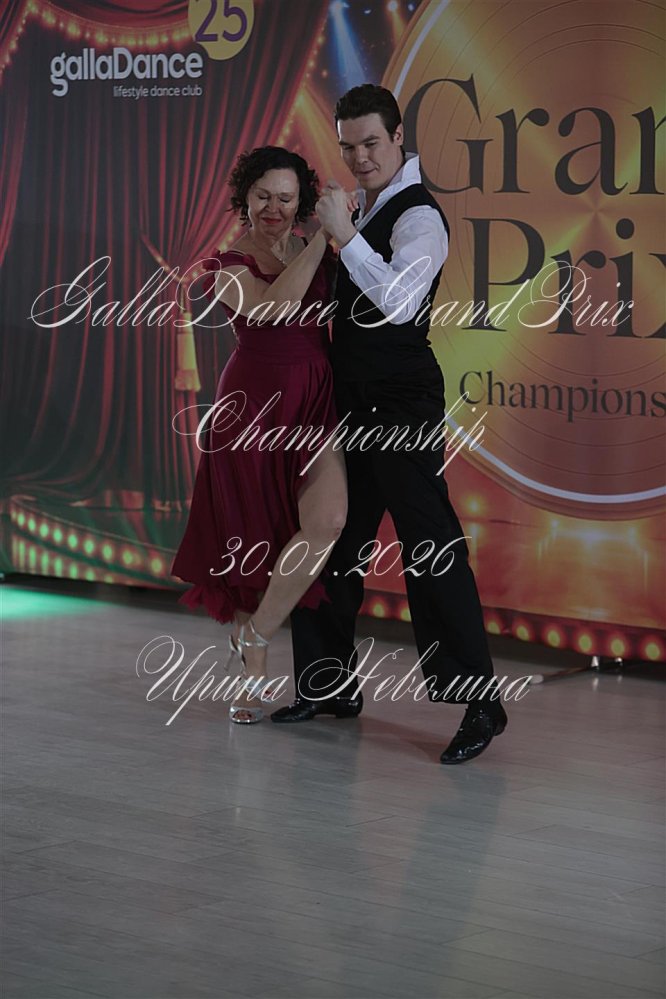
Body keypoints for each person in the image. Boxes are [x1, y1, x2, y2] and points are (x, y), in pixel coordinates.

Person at [272, 85, 507, 764]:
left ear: (398, 137)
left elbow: (401, 303)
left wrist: (344, 236)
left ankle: (482, 703)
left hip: (401, 401)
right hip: (347, 397)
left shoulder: (419, 215)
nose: (359, 157)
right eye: (348, 146)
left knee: (429, 546)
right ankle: (327, 684)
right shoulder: (361, 206)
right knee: (331, 536)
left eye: (371, 143)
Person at [171, 146, 347, 724]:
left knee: (328, 521)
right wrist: (325, 238)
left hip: (314, 401)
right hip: (251, 409)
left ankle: (255, 635)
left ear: (302, 200)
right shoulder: (225, 263)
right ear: (244, 197)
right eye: (263, 195)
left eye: (286, 198)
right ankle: (253, 672)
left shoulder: (314, 249)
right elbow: (273, 309)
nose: (274, 207)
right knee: (253, 541)